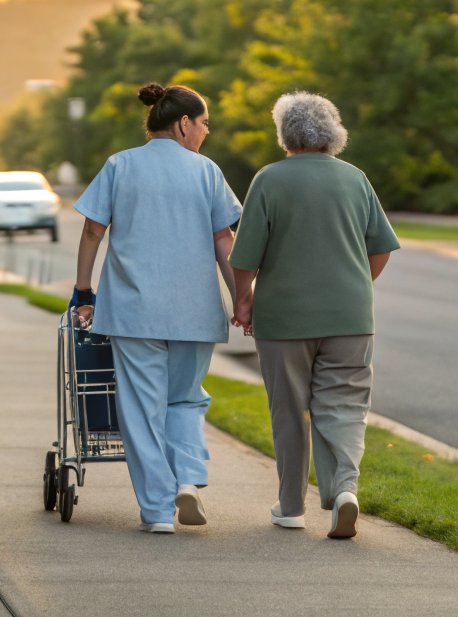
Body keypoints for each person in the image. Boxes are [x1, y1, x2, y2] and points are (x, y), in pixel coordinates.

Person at [72, 82, 242, 533]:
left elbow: (93, 232)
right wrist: (244, 298)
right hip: (195, 311)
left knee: (141, 411)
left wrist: (84, 292)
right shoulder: (206, 171)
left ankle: (157, 512)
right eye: (205, 123)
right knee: (185, 399)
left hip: (134, 310)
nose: (206, 132)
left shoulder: (120, 165)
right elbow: (223, 241)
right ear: (184, 123)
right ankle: (188, 479)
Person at [229, 92, 400, 539]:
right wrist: (354, 285)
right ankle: (344, 489)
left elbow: (244, 258)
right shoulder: (355, 178)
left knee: (288, 411)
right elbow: (380, 248)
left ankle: (290, 508)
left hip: (284, 319)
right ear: (332, 133)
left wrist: (243, 300)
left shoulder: (269, 179)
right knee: (343, 406)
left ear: (286, 135)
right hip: (350, 316)